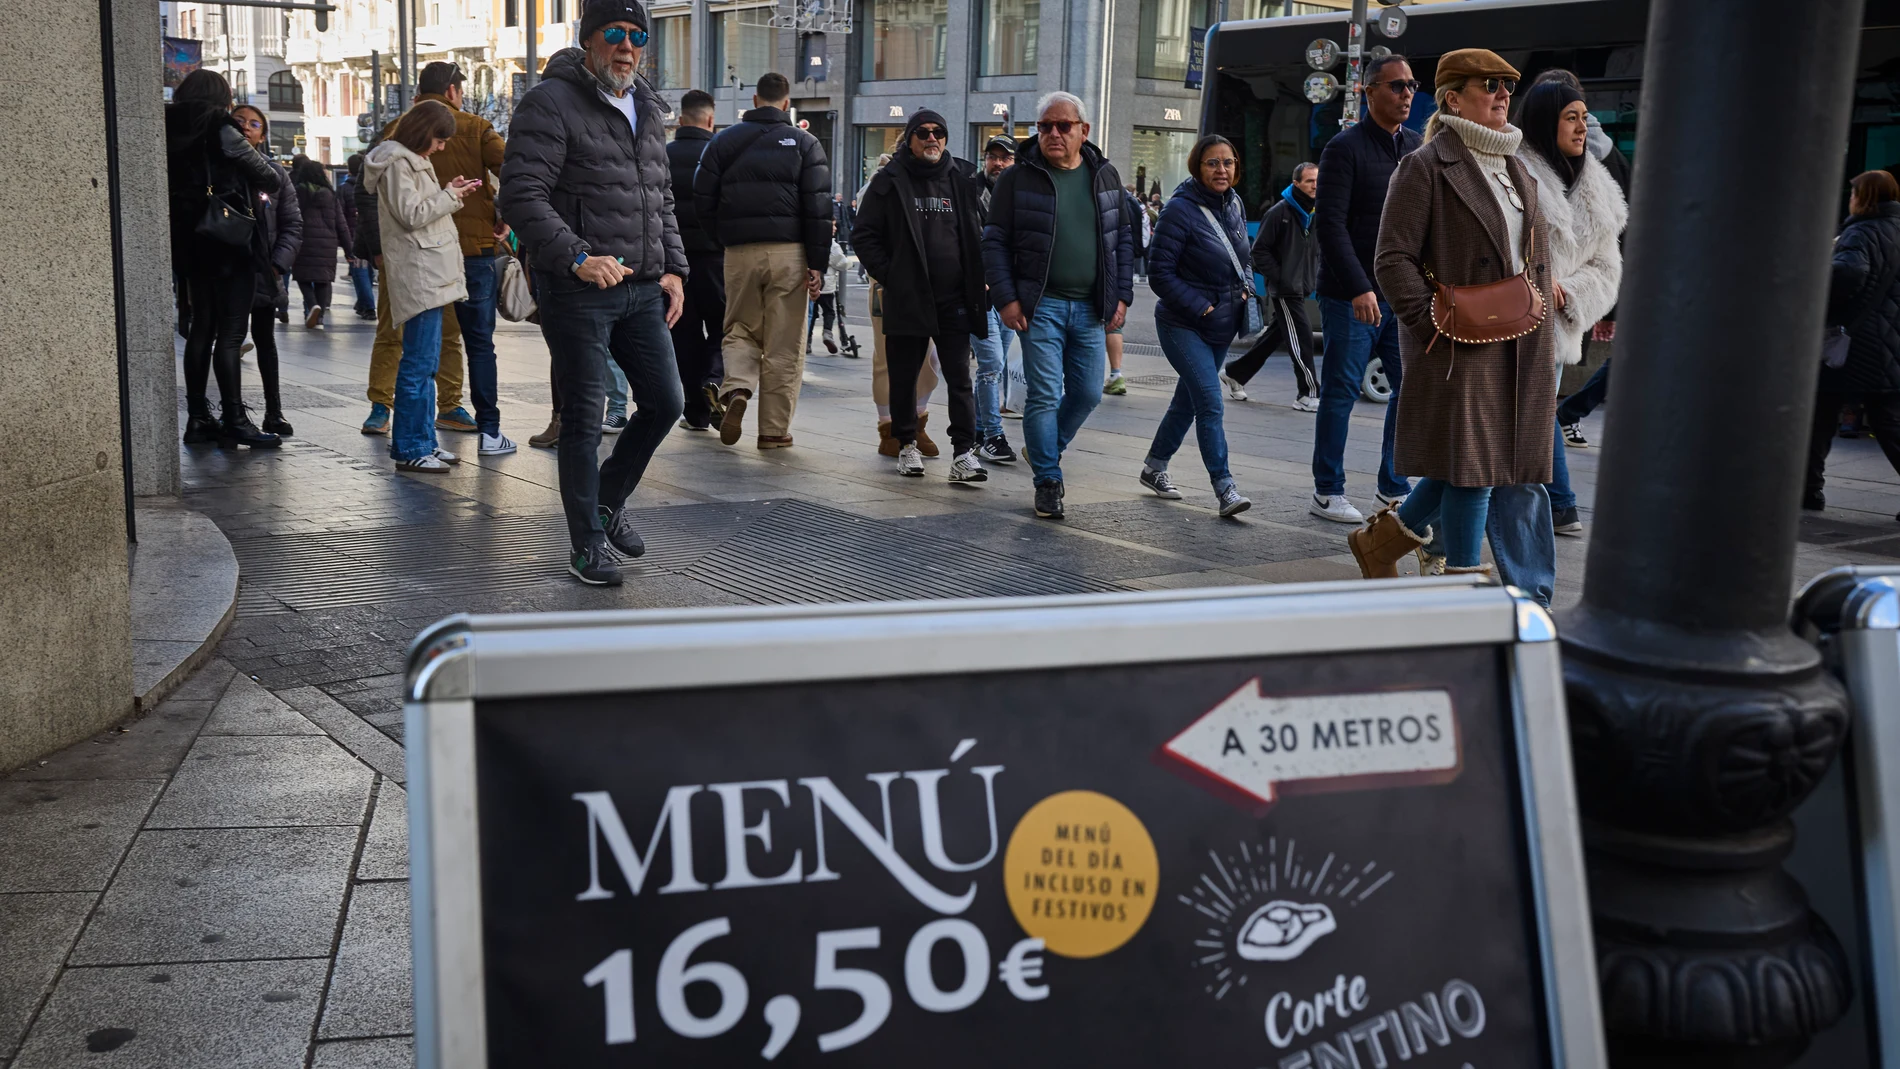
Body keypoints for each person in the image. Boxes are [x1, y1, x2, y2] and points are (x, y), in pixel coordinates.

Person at [499, 0, 688, 587]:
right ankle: (586, 544)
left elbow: (661, 200)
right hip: (578, 288)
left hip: (641, 288)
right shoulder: (549, 102)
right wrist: (578, 256)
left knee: (666, 402)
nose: (627, 47)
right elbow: (521, 196)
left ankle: (606, 501)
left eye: (637, 36)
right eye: (615, 34)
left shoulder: (648, 107)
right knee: (583, 418)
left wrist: (674, 268)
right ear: (589, 41)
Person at [1349, 49, 1557, 580]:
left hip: (1521, 338)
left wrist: (1545, 333)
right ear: (1452, 98)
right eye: (1489, 85)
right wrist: (1432, 326)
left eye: (1507, 85)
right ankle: (1462, 582)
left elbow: (1536, 258)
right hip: (1459, 337)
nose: (1503, 94)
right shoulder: (1424, 166)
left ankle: (1378, 544)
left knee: (1476, 466)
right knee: (1472, 472)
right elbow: (1391, 258)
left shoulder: (1519, 167)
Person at [982, 91, 1134, 520]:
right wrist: (1006, 297)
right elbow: (994, 241)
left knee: (1087, 393)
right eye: (1044, 126)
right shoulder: (1017, 177)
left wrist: (1122, 295)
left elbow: (1121, 240)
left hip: (1090, 308)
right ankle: (1048, 480)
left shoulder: (1104, 175)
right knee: (1045, 394)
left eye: (1062, 126)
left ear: (1083, 132)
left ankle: (1045, 449)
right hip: (1040, 305)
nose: (1052, 133)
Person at [1310, 52, 1422, 524]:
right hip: (1351, 295)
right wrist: (1359, 287)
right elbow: (1330, 225)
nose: (1407, 93)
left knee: (1408, 390)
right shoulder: (1344, 148)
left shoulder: (1416, 146)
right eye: (1396, 86)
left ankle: (1391, 488)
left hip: (1402, 295)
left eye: (1411, 85)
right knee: (1339, 391)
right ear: (1368, 91)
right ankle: (1327, 490)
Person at [693, 70, 831, 449]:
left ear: (754, 101)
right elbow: (818, 207)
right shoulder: (805, 143)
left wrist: (722, 237)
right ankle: (773, 431)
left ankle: (736, 389)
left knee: (739, 328)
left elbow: (701, 196)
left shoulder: (723, 142)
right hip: (790, 253)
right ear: (786, 103)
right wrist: (816, 263)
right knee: (784, 342)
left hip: (739, 252)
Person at [853, 110, 992, 483]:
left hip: (955, 298)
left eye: (939, 133)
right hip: (908, 296)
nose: (932, 139)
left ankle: (964, 453)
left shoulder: (962, 177)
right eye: (924, 133)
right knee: (904, 376)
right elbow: (863, 235)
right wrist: (893, 276)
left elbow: (982, 230)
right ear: (910, 139)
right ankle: (906, 445)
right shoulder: (890, 180)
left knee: (960, 378)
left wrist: (982, 276)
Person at [1517, 77, 1626, 537]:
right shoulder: (1513, 169)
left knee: (1528, 431)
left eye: (1584, 117)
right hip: (1508, 321)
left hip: (1558, 329)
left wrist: (1571, 291)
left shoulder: (1597, 186)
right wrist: (1540, 281)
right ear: (1546, 121)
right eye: (1571, 117)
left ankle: (1411, 529)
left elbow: (1607, 266)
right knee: (1506, 439)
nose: (1583, 127)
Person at [1137, 135, 1256, 517]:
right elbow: (1159, 273)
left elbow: (1244, 257)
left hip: (1222, 323)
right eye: (1212, 163)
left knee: (1185, 402)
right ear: (1197, 167)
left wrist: (1246, 288)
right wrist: (1203, 307)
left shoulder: (1234, 204)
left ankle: (1154, 467)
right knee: (1209, 401)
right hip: (1182, 325)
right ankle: (1225, 488)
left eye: (1228, 162)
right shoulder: (1179, 210)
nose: (1221, 170)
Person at [165, 69, 282, 448]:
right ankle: (235, 417)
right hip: (228, 241)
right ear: (220, 98)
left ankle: (198, 417)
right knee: (231, 333)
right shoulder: (221, 128)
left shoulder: (165, 124)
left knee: (202, 329)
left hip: (189, 241)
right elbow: (270, 176)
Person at [363, 101, 478, 475]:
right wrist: (449, 197)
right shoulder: (397, 162)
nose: (441, 147)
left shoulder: (408, 161)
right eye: (439, 139)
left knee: (424, 363)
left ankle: (424, 440)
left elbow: (418, 208)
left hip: (428, 271)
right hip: (420, 273)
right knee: (417, 364)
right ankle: (411, 446)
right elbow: (411, 215)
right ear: (422, 130)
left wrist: (449, 191)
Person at [1806, 170, 1900, 513]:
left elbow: (1848, 273)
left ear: (1865, 197)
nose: (1851, 200)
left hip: (1857, 343)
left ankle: (1808, 489)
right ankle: (1807, 488)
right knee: (1886, 419)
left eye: (1854, 194)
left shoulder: (1861, 231)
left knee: (1821, 415)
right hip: (1887, 342)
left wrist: (1820, 283)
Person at [1223, 162, 1319, 410]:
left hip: (1301, 286)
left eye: (1318, 180)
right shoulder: (1280, 213)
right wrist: (1282, 278)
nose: (1315, 185)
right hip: (1286, 289)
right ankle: (1307, 393)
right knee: (1302, 337)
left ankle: (1236, 373)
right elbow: (1259, 252)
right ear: (1296, 183)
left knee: (1274, 336)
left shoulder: (1314, 212)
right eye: (1309, 181)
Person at [235, 105, 302, 436]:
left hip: (265, 270)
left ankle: (273, 411)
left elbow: (292, 223)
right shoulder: (219, 169)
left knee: (265, 340)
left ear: (262, 133)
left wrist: (278, 264)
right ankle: (229, 416)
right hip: (227, 270)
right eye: (239, 122)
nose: (247, 128)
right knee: (227, 340)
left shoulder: (275, 174)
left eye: (254, 123)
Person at [666, 88, 727, 431]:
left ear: (680, 120)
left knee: (684, 334)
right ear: (710, 119)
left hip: (675, 263)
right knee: (722, 327)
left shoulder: (663, 155)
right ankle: (714, 378)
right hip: (718, 259)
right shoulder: (721, 153)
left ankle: (696, 413)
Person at [971, 134, 1019, 462]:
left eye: (1005, 157)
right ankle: (993, 435)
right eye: (993, 156)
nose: (998, 163)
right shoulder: (969, 193)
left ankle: (977, 430)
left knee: (995, 367)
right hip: (978, 290)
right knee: (991, 363)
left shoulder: (1020, 196)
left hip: (1008, 293)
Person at [290, 158, 353, 330]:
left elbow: (289, 218)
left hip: (303, 241)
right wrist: (349, 250)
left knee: (302, 276)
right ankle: (320, 319)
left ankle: (312, 305)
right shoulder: (330, 195)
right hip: (327, 242)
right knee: (323, 280)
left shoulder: (298, 192)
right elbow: (341, 224)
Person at [1102, 188, 1146, 398]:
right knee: (1115, 325)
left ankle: (1112, 376)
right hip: (1122, 265)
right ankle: (1116, 373)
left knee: (1105, 325)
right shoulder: (1131, 201)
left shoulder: (1106, 197)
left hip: (1107, 264)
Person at [340, 154, 375, 318]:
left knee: (359, 270)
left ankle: (368, 306)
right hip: (371, 231)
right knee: (367, 269)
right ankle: (362, 303)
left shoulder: (345, 189)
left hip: (354, 235)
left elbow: (340, 214)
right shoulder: (372, 185)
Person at [807, 221, 847, 354]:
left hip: (813, 285)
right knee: (829, 312)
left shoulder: (812, 242)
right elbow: (841, 262)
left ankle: (807, 341)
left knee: (811, 315)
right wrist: (849, 264)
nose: (835, 228)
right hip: (827, 286)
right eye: (833, 225)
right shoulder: (832, 245)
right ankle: (827, 334)